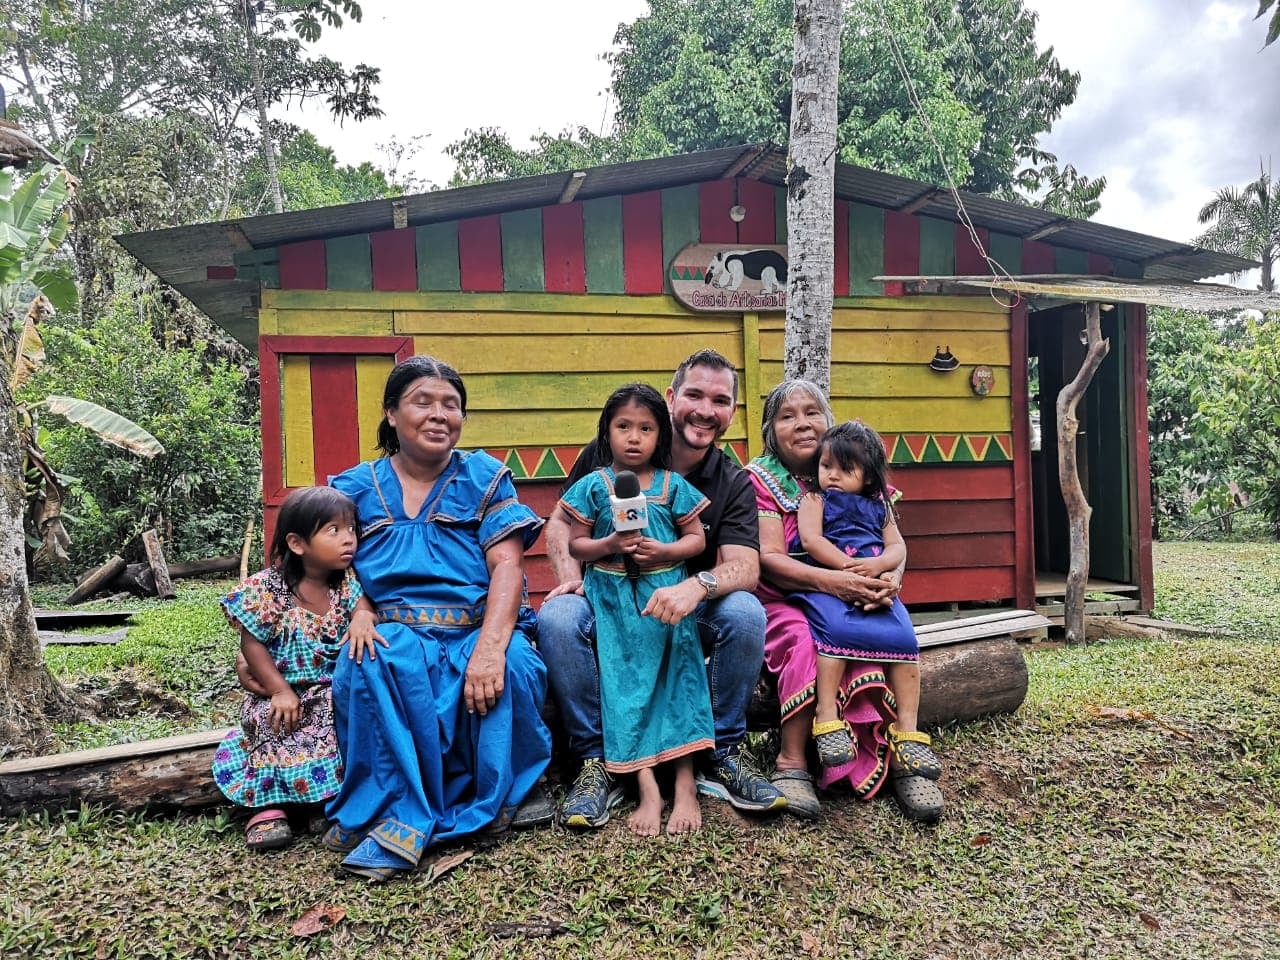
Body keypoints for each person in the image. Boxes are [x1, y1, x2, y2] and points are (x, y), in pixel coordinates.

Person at [325, 355, 551, 880]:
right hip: (395, 628)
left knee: (515, 664)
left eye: (451, 405)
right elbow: (327, 562)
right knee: (368, 661)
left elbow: (508, 567)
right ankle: (390, 811)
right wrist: (360, 609)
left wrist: (490, 648)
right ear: (390, 414)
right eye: (422, 402)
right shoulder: (353, 487)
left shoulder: (485, 477)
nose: (438, 414)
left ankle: (499, 796)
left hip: (478, 626)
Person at [540, 349, 785, 828]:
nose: (705, 410)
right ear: (672, 397)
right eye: (694, 394)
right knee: (557, 617)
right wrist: (571, 579)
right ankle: (596, 763)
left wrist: (697, 585)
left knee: (745, 612)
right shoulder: (611, 456)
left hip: (682, 606)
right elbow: (559, 525)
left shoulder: (731, 480)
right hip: (609, 596)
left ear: (732, 411)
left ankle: (720, 751)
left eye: (719, 400)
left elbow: (746, 568)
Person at [746, 380, 944, 823]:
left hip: (860, 588)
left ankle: (900, 760)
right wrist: (840, 583)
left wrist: (887, 582)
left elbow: (894, 545)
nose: (802, 423)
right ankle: (792, 761)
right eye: (787, 415)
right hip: (786, 596)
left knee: (886, 634)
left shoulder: (857, 469)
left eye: (812, 411)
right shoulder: (760, 479)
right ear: (769, 429)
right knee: (805, 641)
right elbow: (770, 560)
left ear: (828, 419)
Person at [559, 384, 713, 836]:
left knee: (678, 682)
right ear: (606, 432)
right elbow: (576, 542)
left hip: (667, 600)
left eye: (645, 428)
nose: (633, 437)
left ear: (660, 435)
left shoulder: (672, 485)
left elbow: (697, 540)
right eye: (623, 426)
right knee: (624, 687)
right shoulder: (594, 485)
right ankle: (646, 785)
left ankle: (685, 783)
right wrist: (609, 544)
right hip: (613, 601)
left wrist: (665, 551)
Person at [212, 485, 361, 852]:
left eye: (352, 529)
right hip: (280, 688)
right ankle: (269, 805)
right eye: (334, 531)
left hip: (327, 689)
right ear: (297, 543)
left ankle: (318, 801)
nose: (349, 540)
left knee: (336, 720)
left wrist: (364, 620)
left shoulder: (345, 584)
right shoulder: (269, 589)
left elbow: (364, 608)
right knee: (270, 722)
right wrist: (279, 689)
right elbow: (252, 643)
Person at [793, 421, 940, 791]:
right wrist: (848, 570)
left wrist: (878, 569)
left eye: (846, 470)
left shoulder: (880, 506)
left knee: (905, 640)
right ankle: (827, 716)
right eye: (826, 467)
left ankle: (907, 727)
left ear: (868, 475)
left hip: (875, 584)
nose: (833, 477)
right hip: (830, 584)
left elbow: (898, 548)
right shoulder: (813, 501)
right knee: (834, 634)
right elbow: (811, 542)